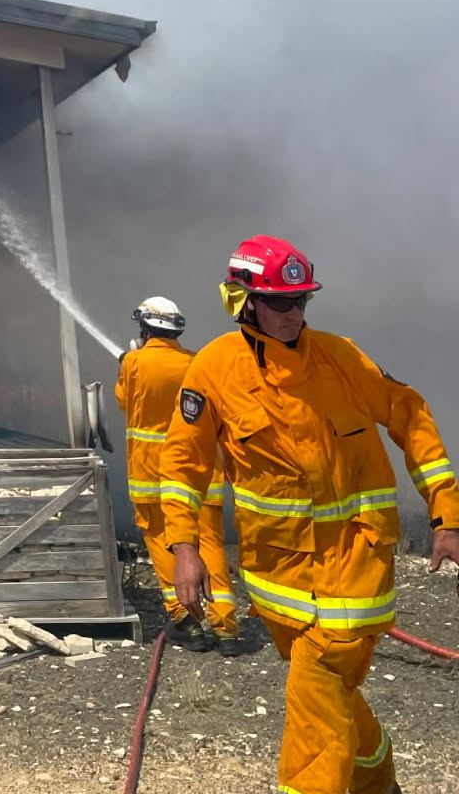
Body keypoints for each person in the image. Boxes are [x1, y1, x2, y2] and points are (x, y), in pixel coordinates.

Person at [163, 234, 459, 794]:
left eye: (301, 301)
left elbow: (411, 416)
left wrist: (446, 514)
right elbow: (182, 465)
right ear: (244, 301)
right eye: (280, 302)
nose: (294, 313)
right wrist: (184, 548)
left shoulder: (342, 358)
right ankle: (379, 783)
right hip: (277, 577)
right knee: (330, 695)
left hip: (355, 567)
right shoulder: (213, 370)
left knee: (318, 693)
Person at [115, 294, 240, 652]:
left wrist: (125, 362)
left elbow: (124, 401)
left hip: (152, 474)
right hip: (201, 474)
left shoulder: (135, 362)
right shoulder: (198, 362)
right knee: (209, 545)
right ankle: (226, 629)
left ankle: (187, 622)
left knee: (164, 542)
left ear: (144, 329)